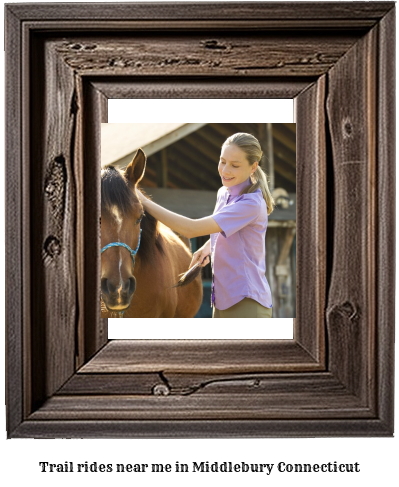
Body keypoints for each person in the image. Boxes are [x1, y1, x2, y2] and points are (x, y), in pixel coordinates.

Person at [138, 132, 274, 318]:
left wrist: (143, 201)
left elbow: (191, 229)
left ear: (253, 167)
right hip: (222, 300)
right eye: (222, 161)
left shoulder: (250, 204)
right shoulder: (223, 193)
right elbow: (225, 228)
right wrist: (208, 246)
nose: (225, 170)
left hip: (247, 303)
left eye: (235, 165)